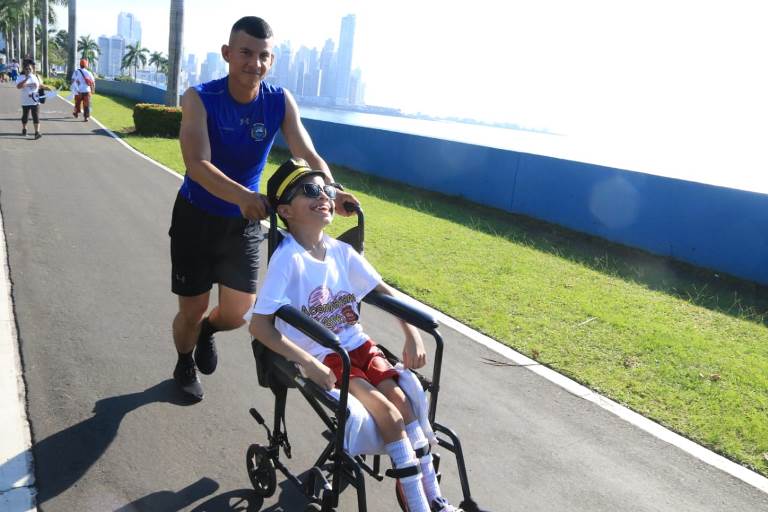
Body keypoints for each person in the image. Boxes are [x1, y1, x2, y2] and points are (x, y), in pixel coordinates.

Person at [247, 159, 462, 512]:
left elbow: (384, 292)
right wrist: (307, 363)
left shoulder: (342, 253)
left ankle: (435, 500)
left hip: (360, 345)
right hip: (327, 355)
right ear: (285, 211)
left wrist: (412, 334)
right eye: (310, 191)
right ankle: (420, 506)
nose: (323, 196)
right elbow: (259, 326)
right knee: (390, 416)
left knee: (404, 403)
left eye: (326, 190)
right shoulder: (287, 260)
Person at [170, 16, 357, 401]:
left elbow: (307, 153)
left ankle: (208, 331)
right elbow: (197, 164)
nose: (254, 63)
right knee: (192, 309)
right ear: (227, 54)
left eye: (263, 56)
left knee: (238, 313)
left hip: (243, 223)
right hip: (196, 218)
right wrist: (242, 195)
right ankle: (185, 361)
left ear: (271, 60)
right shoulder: (199, 98)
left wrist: (332, 190)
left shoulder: (278, 101)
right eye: (246, 53)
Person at [15, 60, 44, 139]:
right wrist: (26, 79)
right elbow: (18, 87)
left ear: (32, 69)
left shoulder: (35, 76)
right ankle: (24, 128)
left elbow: (39, 86)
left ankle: (37, 132)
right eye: (26, 69)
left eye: (30, 69)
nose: (28, 70)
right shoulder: (21, 77)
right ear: (24, 69)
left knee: (36, 116)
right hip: (25, 101)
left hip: (35, 100)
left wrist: (48, 88)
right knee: (25, 116)